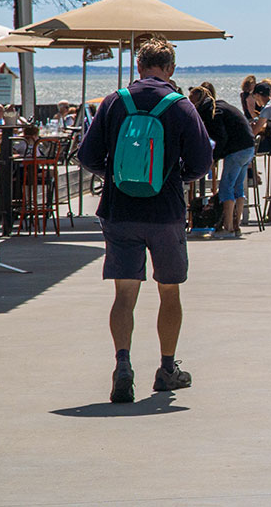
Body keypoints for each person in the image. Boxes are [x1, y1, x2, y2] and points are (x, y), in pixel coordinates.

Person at [77, 36, 212, 404]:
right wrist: (173, 177)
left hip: (119, 211)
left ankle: (123, 365)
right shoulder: (181, 106)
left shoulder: (114, 102)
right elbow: (201, 163)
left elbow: (87, 156)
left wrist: (117, 176)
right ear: (171, 69)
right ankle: (167, 369)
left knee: (124, 293)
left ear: (138, 67)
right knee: (169, 290)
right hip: (165, 211)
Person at [189, 86, 256, 239]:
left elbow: (220, 138)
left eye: (192, 102)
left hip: (236, 150)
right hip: (249, 147)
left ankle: (228, 228)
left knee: (226, 187)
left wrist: (213, 158)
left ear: (198, 101)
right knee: (238, 187)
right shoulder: (220, 106)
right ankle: (236, 226)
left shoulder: (212, 112)